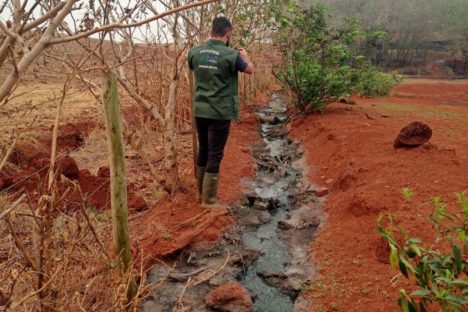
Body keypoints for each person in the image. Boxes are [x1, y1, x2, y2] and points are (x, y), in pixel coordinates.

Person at [188, 16, 254, 208]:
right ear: (228, 33)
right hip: (220, 112)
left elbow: (194, 67)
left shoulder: (195, 52)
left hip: (200, 110)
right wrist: (246, 57)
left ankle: (201, 196)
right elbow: (249, 70)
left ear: (211, 31)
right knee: (215, 153)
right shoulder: (232, 55)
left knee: (204, 149)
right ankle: (209, 201)